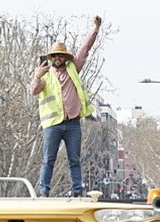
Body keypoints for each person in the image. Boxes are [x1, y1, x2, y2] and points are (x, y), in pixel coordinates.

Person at [30, 16, 103, 197]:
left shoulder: (73, 68)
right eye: (54, 55)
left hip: (72, 123)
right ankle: (44, 192)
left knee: (74, 160)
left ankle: (78, 191)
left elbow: (84, 49)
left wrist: (95, 28)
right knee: (48, 160)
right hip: (52, 125)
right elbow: (34, 91)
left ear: (65, 57)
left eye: (60, 55)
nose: (57, 58)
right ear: (51, 58)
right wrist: (37, 76)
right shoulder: (45, 74)